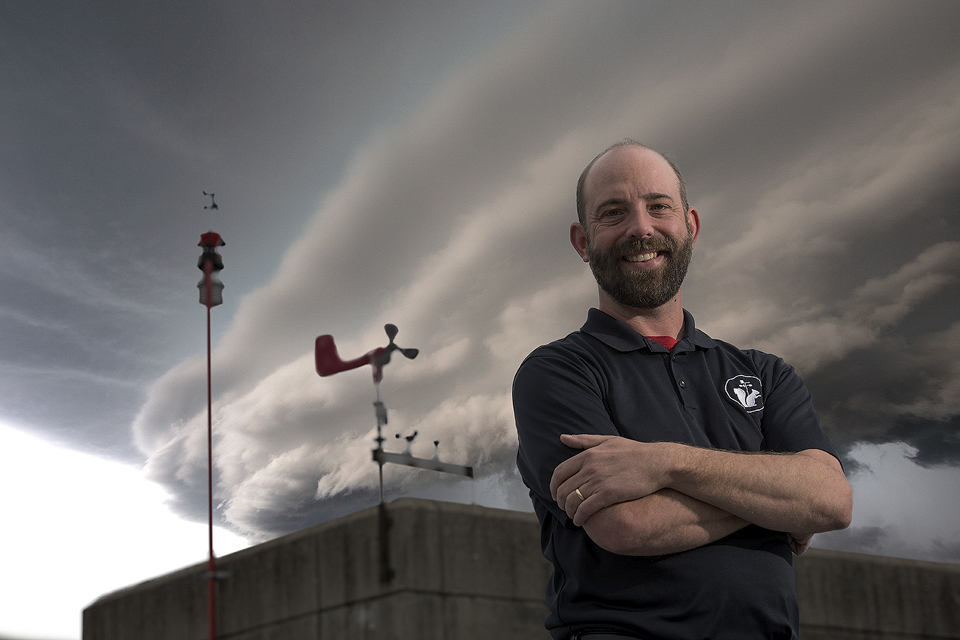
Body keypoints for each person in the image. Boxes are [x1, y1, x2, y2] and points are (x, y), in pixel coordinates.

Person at [512, 140, 852, 640]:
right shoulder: (557, 372)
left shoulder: (765, 373)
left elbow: (831, 501)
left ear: (689, 226)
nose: (641, 228)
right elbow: (627, 525)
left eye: (658, 206)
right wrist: (777, 505)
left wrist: (665, 463)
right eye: (613, 213)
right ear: (582, 241)